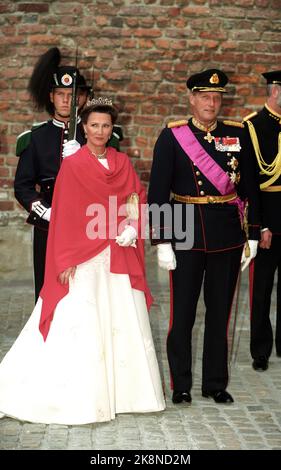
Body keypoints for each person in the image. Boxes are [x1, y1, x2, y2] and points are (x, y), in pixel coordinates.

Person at [0, 99, 165, 425]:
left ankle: (125, 394)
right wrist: (65, 257)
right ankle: (79, 395)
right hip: (83, 258)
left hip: (117, 254)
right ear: (84, 128)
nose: (100, 131)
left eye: (105, 126)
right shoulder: (73, 166)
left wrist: (132, 227)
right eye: (94, 126)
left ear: (111, 130)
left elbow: (136, 199)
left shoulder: (123, 163)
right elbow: (65, 217)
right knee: (80, 323)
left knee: (120, 320)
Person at [148, 69, 261, 405]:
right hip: (185, 228)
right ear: (191, 99)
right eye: (205, 97)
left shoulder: (237, 134)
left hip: (226, 232)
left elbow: (250, 187)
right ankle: (180, 384)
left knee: (219, 313)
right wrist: (162, 241)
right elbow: (157, 193)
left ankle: (215, 383)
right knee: (182, 313)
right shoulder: (172, 137)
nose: (212, 103)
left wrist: (252, 235)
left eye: (217, 97)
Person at [14, 47, 123, 301]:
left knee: (88, 296)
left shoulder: (100, 135)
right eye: (61, 94)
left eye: (74, 95)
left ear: (84, 98)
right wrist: (46, 211)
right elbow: (23, 187)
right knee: (47, 291)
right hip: (49, 225)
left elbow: (113, 181)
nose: (67, 100)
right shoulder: (35, 138)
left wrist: (85, 156)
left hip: (91, 225)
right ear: (51, 97)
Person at [243, 70, 281, 371]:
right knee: (262, 288)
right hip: (268, 218)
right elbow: (250, 183)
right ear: (275, 92)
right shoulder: (253, 127)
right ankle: (260, 350)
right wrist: (260, 226)